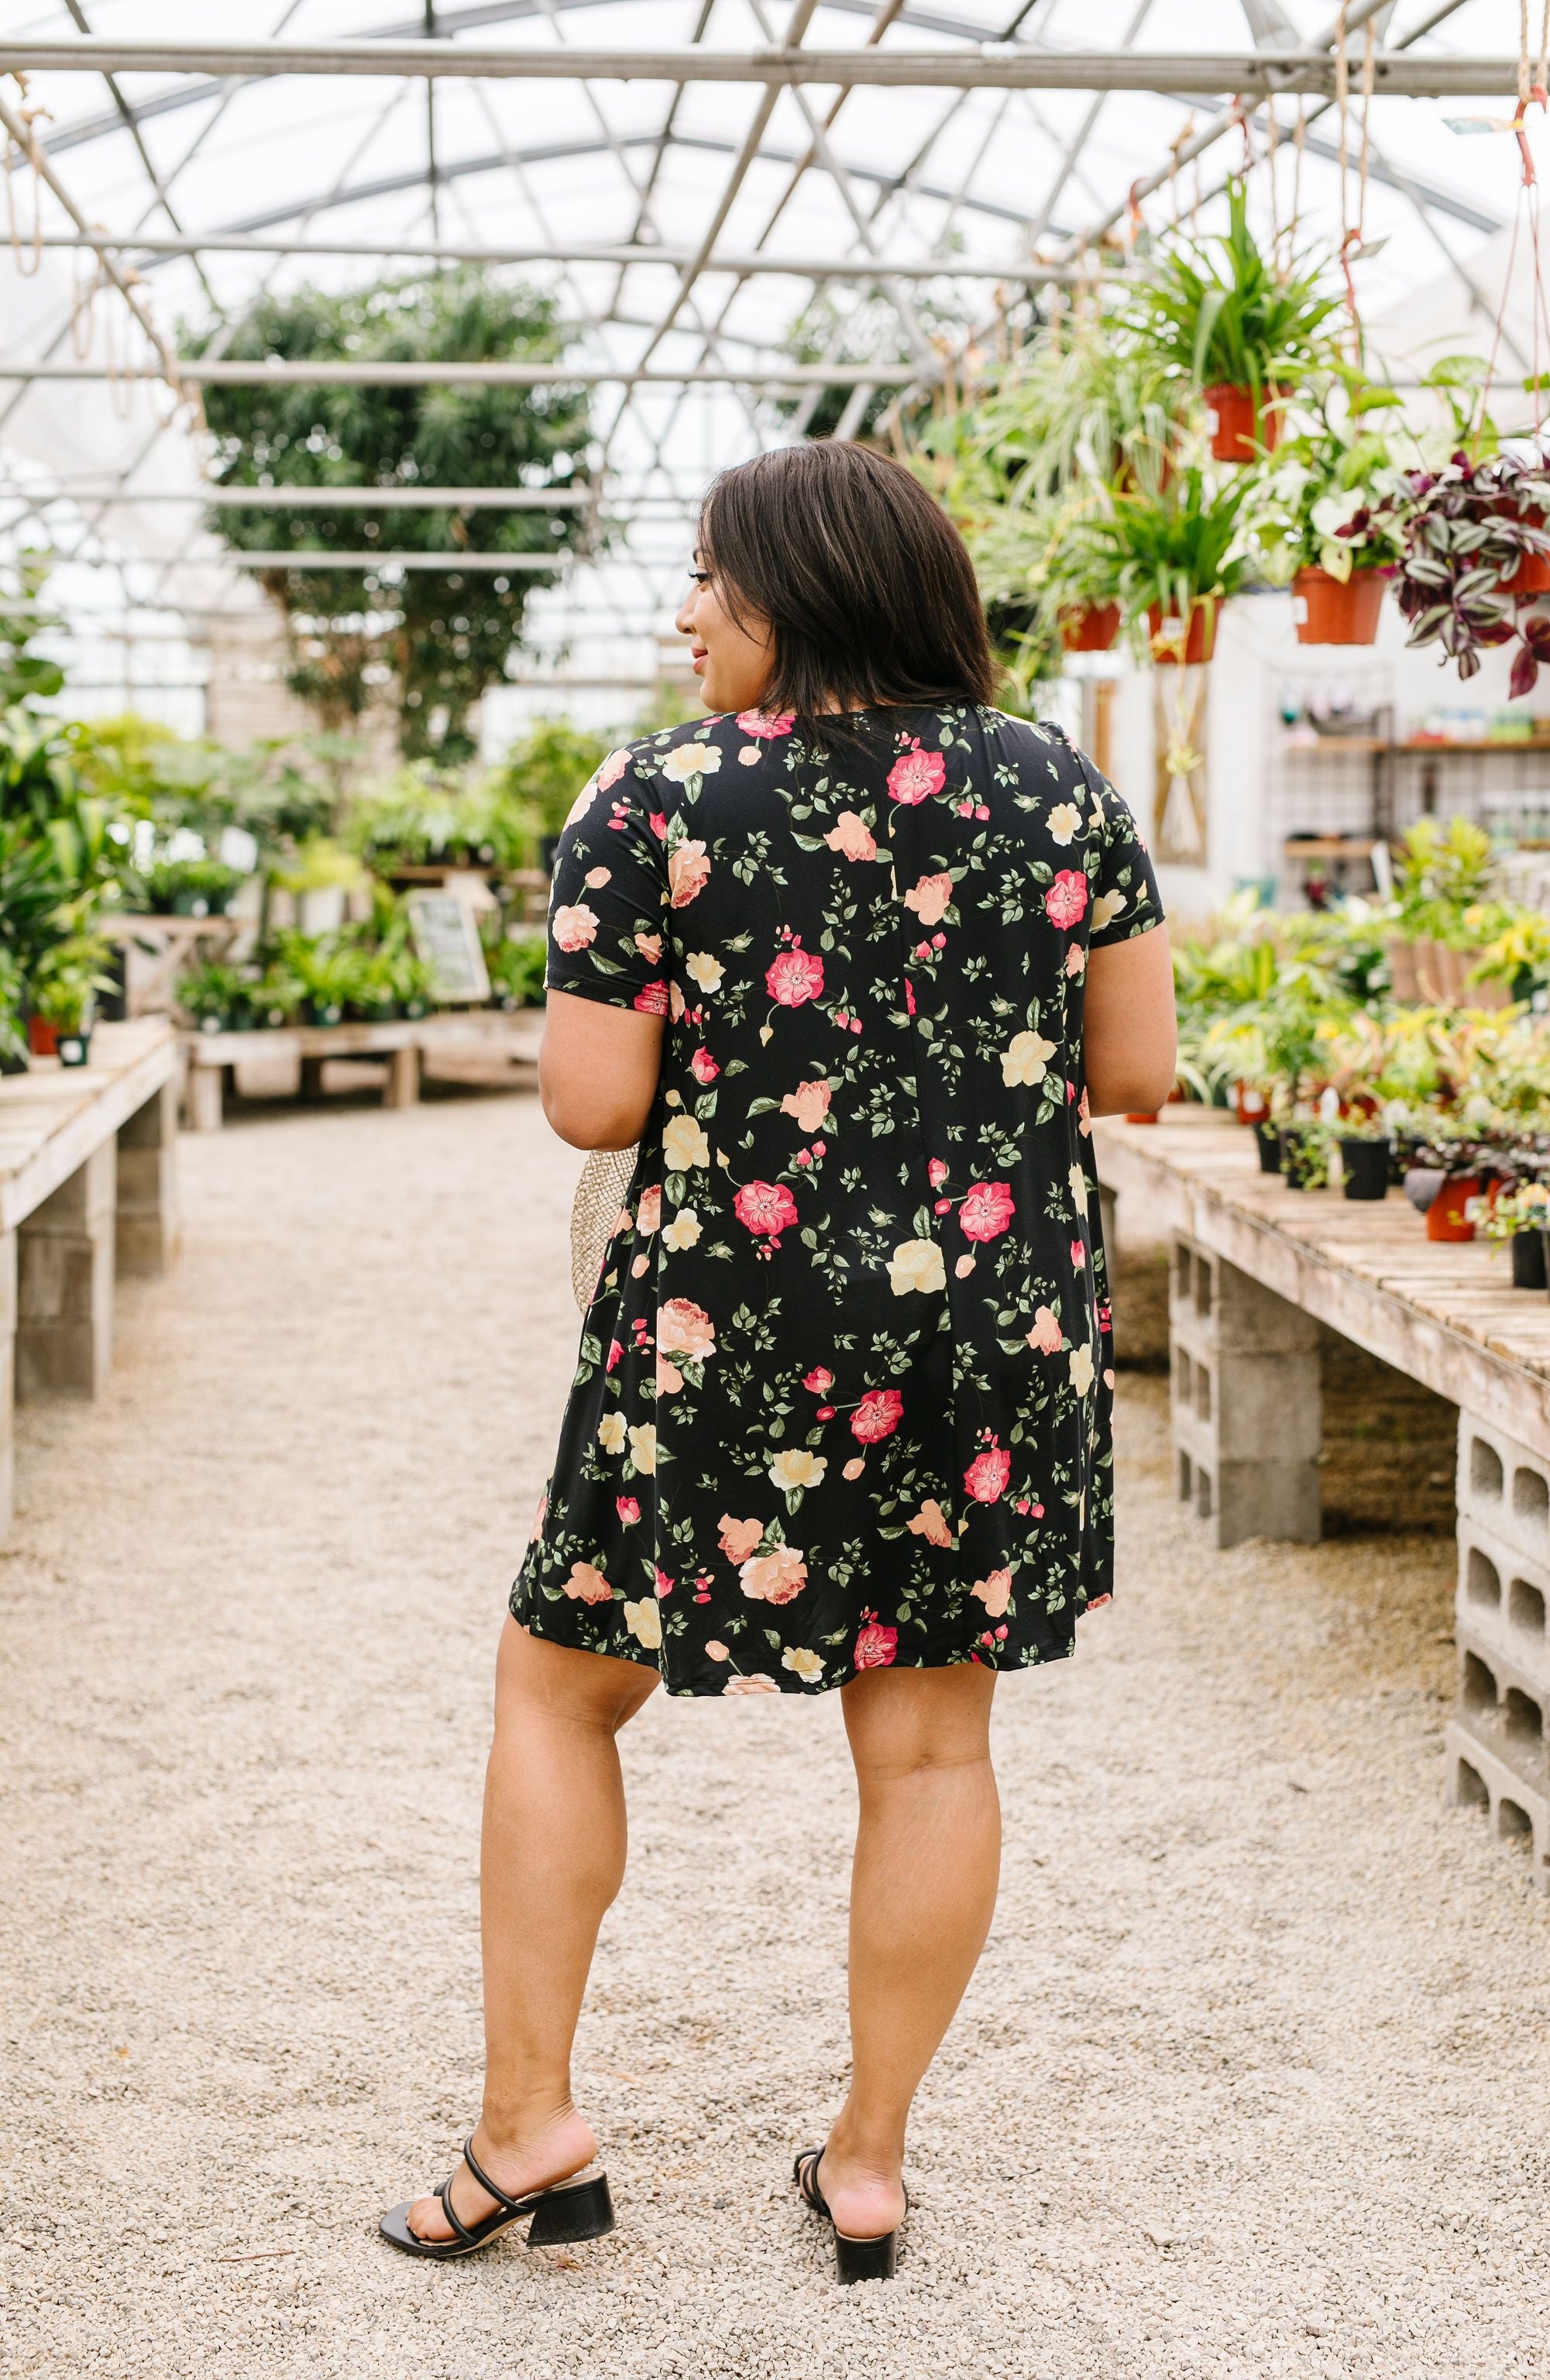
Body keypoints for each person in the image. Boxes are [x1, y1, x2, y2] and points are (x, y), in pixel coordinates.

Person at [381, 440, 1177, 2283]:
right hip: (987, 1336)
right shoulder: (1063, 790)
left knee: (559, 1690)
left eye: (706, 582)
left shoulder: (655, 802)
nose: (682, 614)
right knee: (925, 1746)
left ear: (795, 593)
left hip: (724, 1328)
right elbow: (1131, 1077)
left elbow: (594, 1107)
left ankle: (530, 2128)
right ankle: (872, 2161)